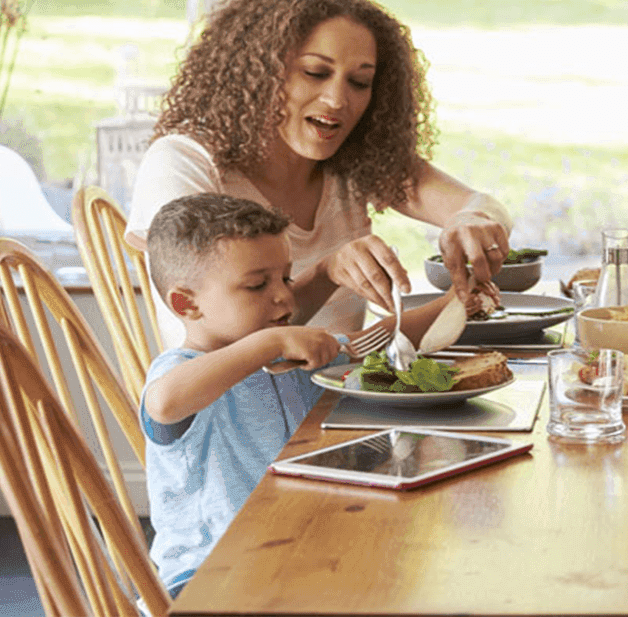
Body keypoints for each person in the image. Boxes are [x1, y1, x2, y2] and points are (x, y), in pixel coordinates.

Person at [126, 0, 512, 347]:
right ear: (258, 72)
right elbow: (224, 344)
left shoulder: (355, 159)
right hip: (239, 408)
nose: (337, 100)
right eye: (315, 73)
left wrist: (470, 220)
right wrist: (328, 271)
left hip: (341, 399)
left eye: (359, 82)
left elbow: (484, 205)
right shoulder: (184, 162)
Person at [140, 193, 461, 597]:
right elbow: (164, 401)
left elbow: (377, 343)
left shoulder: (288, 354)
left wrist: (458, 300)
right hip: (209, 577)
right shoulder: (183, 371)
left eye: (286, 278)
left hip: (296, 548)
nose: (284, 297)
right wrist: (269, 342)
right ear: (187, 304)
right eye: (257, 285)